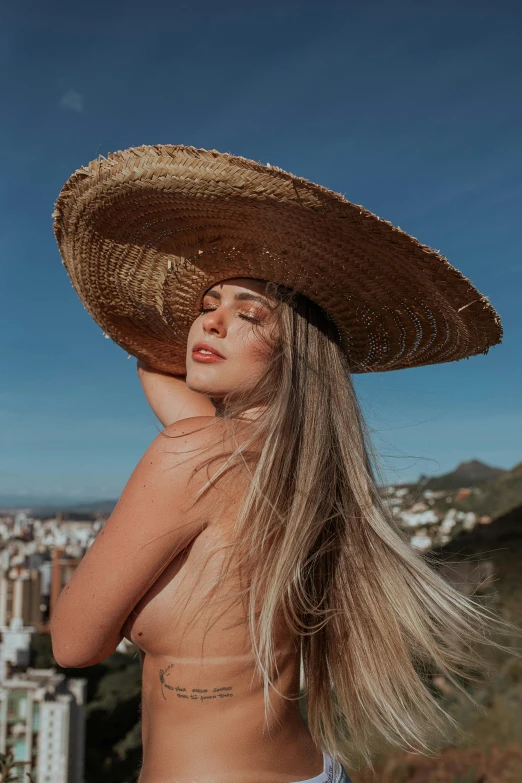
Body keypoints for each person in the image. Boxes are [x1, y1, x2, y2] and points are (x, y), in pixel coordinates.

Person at [49, 145, 515, 783]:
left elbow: (73, 644)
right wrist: (210, 338)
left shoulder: (193, 455)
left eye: (249, 315)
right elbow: (166, 377)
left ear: (293, 353)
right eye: (206, 304)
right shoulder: (303, 472)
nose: (210, 320)